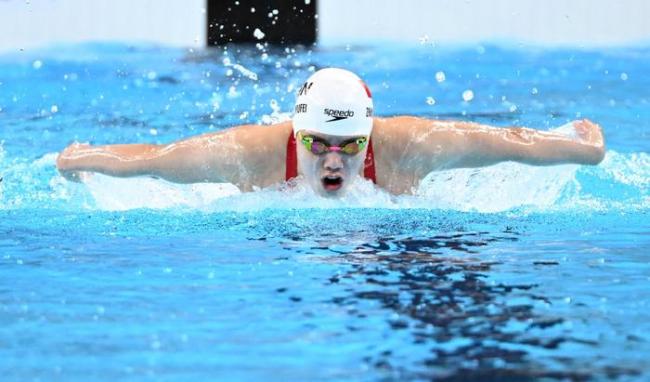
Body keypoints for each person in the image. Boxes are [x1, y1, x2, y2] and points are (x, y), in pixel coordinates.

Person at [56, 68, 605, 196]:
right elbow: (154, 157)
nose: (334, 161)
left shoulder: (410, 147)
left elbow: (509, 143)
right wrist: (83, 158)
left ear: (371, 137)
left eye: (350, 146)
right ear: (296, 134)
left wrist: (585, 151)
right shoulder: (252, 154)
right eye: (317, 144)